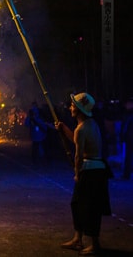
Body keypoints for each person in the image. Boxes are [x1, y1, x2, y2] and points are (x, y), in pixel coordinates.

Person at [56, 93, 111, 256]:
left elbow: (78, 155)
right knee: (77, 204)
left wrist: (77, 173)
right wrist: (64, 128)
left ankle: (94, 244)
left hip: (91, 172)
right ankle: (78, 238)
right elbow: (78, 139)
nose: (70, 107)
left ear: (79, 110)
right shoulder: (90, 124)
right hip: (97, 170)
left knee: (90, 208)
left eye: (73, 105)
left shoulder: (82, 128)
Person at [120, 97, 133, 180]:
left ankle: (126, 174)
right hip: (129, 138)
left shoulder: (130, 115)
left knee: (128, 156)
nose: (126, 105)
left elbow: (126, 127)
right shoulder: (128, 114)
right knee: (128, 156)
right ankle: (126, 173)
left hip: (130, 138)